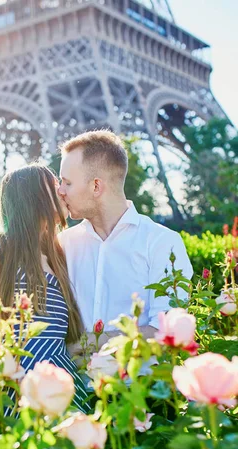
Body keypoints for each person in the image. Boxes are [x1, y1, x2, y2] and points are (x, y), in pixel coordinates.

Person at [0, 163, 90, 413]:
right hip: (6, 402)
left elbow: (58, 344)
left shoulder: (59, 258)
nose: (63, 191)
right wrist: (9, 376)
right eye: (56, 186)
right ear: (34, 194)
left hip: (64, 402)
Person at [57, 130, 193, 355]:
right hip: (76, 387)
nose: (60, 191)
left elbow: (167, 331)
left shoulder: (162, 242)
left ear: (96, 186)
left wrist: (88, 342)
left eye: (67, 183)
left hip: (139, 387)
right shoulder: (62, 244)